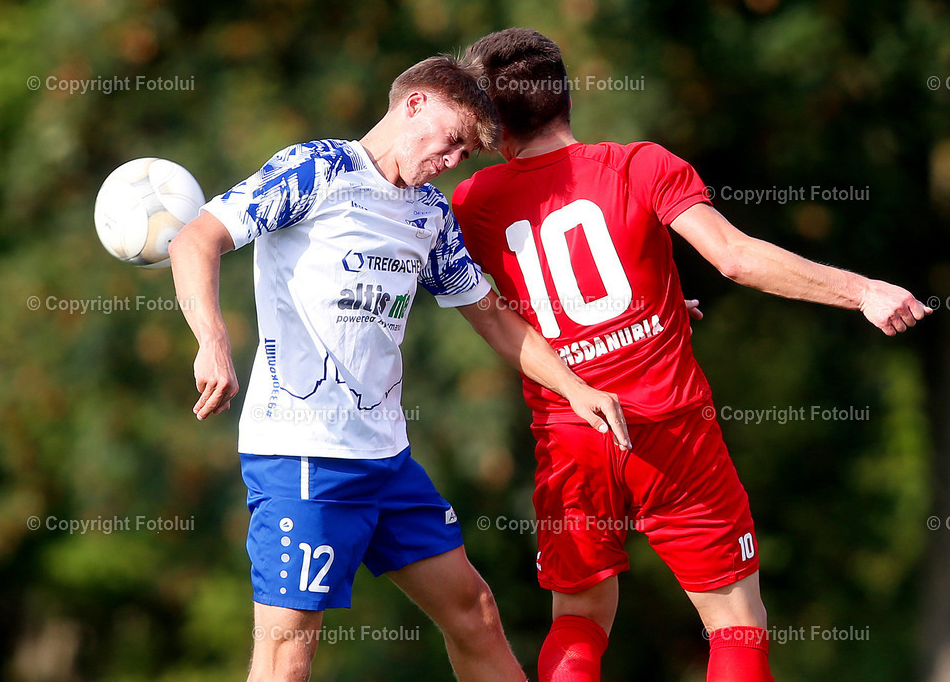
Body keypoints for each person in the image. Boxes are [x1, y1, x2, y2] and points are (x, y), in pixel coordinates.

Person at [452, 28, 932, 682]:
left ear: (490, 119)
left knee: (579, 616)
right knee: (735, 620)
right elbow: (734, 259)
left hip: (570, 434)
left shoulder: (474, 201)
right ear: (564, 94)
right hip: (669, 429)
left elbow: (520, 303)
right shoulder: (640, 164)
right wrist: (863, 290)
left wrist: (654, 308)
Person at [168, 53, 628, 682]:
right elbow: (195, 238)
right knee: (288, 651)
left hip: (387, 462)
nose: (453, 161)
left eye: (466, 154)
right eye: (454, 142)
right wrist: (212, 341)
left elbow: (492, 316)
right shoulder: (316, 171)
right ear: (416, 105)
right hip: (305, 457)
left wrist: (576, 388)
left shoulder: (429, 215)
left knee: (476, 613)